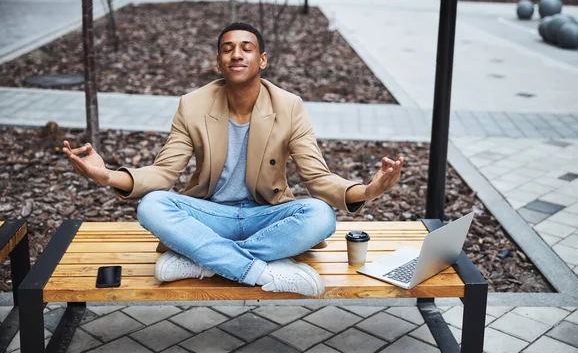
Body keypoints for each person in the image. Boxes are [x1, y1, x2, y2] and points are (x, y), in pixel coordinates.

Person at [62, 22, 404, 297]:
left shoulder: (288, 106)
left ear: (263, 60)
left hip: (266, 216)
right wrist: (107, 175)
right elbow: (164, 172)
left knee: (321, 215)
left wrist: (368, 191)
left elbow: (318, 179)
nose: (236, 55)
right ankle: (261, 270)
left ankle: (203, 261)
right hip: (211, 215)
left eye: (246, 48)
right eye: (227, 49)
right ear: (218, 62)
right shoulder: (193, 104)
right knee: (151, 205)